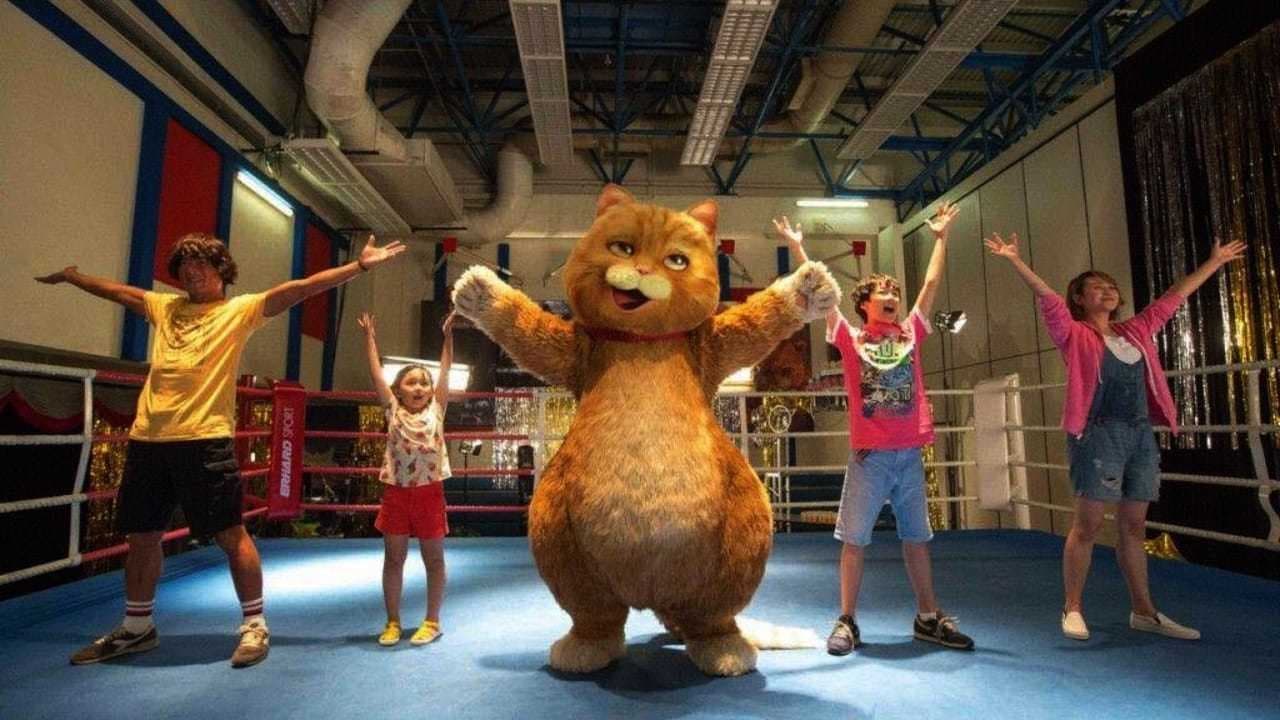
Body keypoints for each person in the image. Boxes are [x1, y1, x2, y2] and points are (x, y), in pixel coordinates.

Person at [36, 231, 405, 667]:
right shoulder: (165, 307)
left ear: (221, 270)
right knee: (142, 537)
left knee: (230, 534)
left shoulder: (238, 310)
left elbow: (300, 289)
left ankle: (255, 625)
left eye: (202, 264)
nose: (192, 272)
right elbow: (118, 291)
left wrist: (358, 266)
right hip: (148, 439)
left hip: (205, 439)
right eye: (185, 266)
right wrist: (74, 277)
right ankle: (137, 628)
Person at [985, 231, 1246, 641]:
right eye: (1096, 287)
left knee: (1135, 525)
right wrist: (1016, 260)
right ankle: (1072, 606)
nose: (1107, 291)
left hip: (1139, 434)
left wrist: (1214, 262)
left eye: (1110, 286)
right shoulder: (1073, 334)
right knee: (1088, 524)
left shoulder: (1135, 330)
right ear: (1079, 299)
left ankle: (1144, 610)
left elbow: (1173, 298)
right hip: (1098, 432)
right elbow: (1048, 300)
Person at [774, 205, 975, 657]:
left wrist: (942, 237)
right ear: (865, 304)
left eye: (895, 292)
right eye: (883, 292)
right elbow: (822, 292)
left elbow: (930, 285)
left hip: (909, 454)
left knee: (917, 537)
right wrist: (797, 247)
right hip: (870, 457)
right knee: (854, 540)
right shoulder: (849, 337)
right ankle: (847, 619)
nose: (892, 297)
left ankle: (927, 616)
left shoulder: (911, 332)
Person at [357, 311, 454, 647]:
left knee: (434, 560)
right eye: (411, 382)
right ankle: (393, 621)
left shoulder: (437, 409)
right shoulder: (392, 410)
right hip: (396, 494)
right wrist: (370, 339)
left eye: (424, 383)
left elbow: (445, 371)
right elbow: (375, 374)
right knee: (394, 559)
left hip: (430, 494)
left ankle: (432, 621)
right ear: (398, 389)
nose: (419, 387)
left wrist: (448, 337)